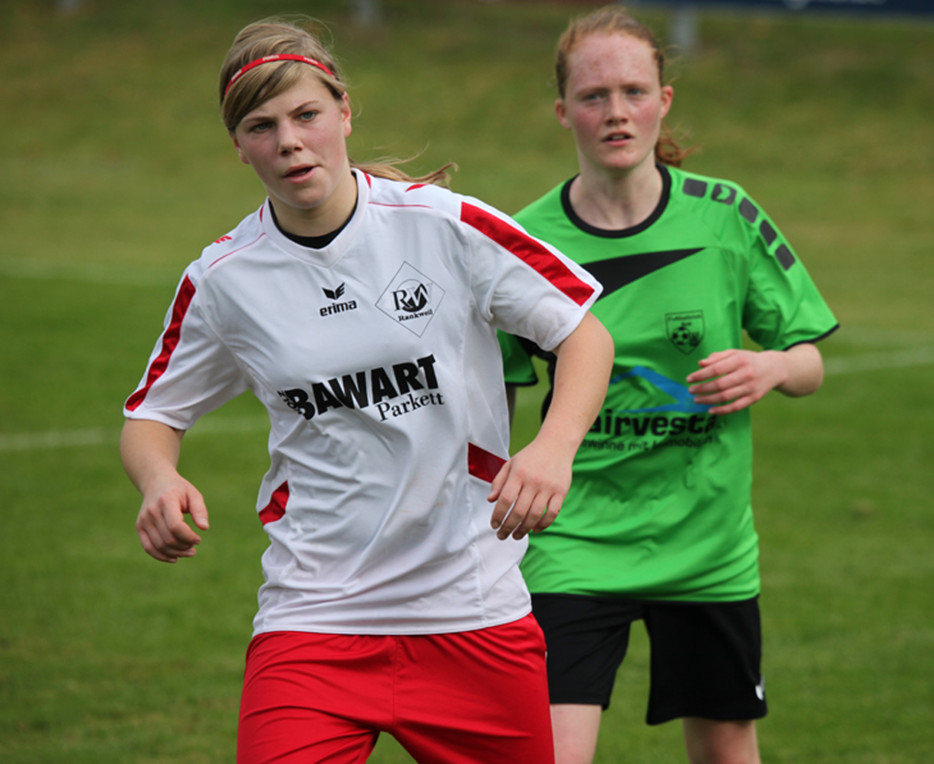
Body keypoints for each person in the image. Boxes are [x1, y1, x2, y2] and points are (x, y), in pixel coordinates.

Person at [121, 17, 613, 764]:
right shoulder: (224, 280)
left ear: (344, 111)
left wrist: (553, 448)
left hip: (472, 608)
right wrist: (158, 479)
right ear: (239, 146)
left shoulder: (444, 225)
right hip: (313, 616)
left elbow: (583, 333)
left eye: (306, 115)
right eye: (262, 126)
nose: (290, 142)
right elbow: (152, 414)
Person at [498, 6, 839, 764]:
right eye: (593, 96)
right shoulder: (525, 241)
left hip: (707, 542)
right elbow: (494, 393)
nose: (616, 112)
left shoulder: (726, 216)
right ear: (563, 112)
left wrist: (772, 366)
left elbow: (809, 360)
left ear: (664, 100)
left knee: (726, 752)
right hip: (574, 538)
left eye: (634, 92)